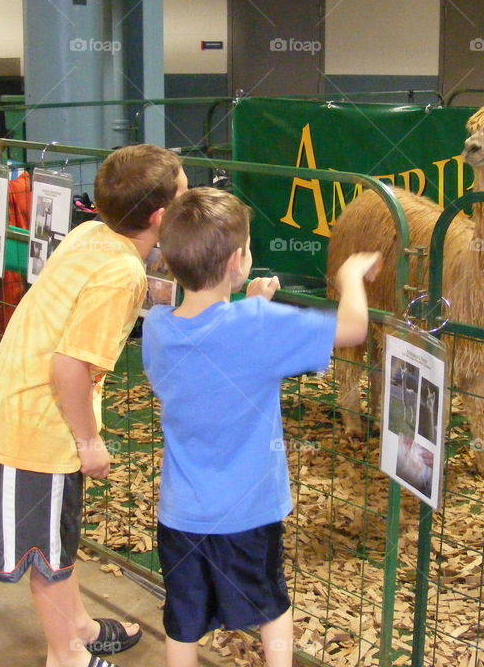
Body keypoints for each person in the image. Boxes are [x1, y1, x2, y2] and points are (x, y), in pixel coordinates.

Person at [0, 144, 187, 667]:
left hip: (32, 415)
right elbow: (69, 366)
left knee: (59, 543)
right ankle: (65, 655)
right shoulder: (122, 274)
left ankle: (81, 627)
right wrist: (90, 442)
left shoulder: (94, 233)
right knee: (45, 557)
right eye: (184, 192)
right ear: (160, 217)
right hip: (36, 430)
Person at [142, 187, 380, 667]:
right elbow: (354, 328)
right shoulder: (256, 325)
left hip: (182, 514)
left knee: (183, 615)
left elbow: (215, 336)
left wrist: (247, 303)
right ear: (237, 261)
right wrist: (351, 276)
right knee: (270, 605)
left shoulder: (158, 328)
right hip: (248, 513)